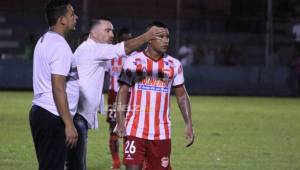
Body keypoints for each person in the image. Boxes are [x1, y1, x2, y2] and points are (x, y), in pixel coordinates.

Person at [66, 18, 167, 170]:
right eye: (108, 30)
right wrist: (147, 36)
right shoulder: (96, 50)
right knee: (77, 164)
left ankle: (134, 160)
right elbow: (120, 50)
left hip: (125, 100)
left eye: (113, 31)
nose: (112, 35)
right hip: (90, 110)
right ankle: (117, 161)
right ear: (93, 33)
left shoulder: (96, 51)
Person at [115, 21, 195, 170]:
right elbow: (123, 91)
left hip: (162, 133)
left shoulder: (174, 64)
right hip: (134, 130)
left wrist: (189, 123)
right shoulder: (133, 61)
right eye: (160, 36)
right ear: (150, 39)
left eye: (167, 36)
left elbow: (182, 96)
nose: (166, 40)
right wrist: (120, 121)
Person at [29, 0, 79, 170]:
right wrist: (69, 124)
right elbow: (58, 86)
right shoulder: (59, 46)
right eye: (72, 14)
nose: (76, 17)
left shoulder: (45, 39)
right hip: (52, 116)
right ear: (62, 20)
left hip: (42, 112)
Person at [106, 27, 133, 170]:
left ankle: (128, 159)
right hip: (114, 96)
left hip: (131, 97)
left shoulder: (136, 56)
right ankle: (116, 162)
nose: (130, 41)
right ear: (120, 41)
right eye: (127, 39)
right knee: (114, 129)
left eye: (131, 39)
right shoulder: (110, 54)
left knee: (131, 129)